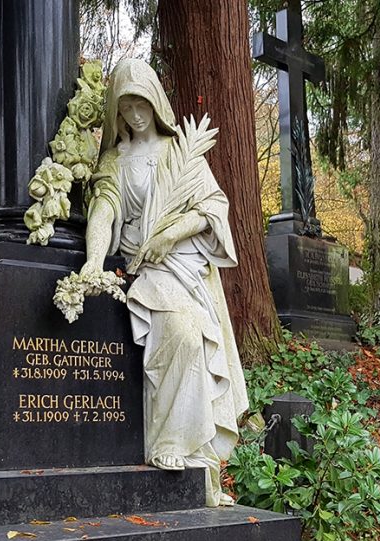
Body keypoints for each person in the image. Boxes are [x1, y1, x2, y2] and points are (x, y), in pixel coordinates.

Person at [80, 58, 248, 507]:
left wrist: (170, 233)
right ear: (117, 111)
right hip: (144, 267)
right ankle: (169, 442)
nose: (135, 115)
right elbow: (105, 208)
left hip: (183, 263)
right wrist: (95, 260)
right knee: (186, 337)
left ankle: (197, 460)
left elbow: (212, 207)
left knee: (196, 338)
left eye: (142, 104)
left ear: (156, 102)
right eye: (126, 106)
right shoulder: (115, 159)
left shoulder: (180, 153)